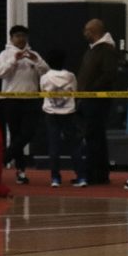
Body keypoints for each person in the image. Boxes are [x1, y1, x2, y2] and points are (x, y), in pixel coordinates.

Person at [0, 24, 48, 184]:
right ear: (11, 38)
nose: (21, 39)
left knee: (28, 133)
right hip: (11, 100)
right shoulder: (4, 55)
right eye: (17, 36)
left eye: (23, 36)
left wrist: (36, 60)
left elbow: (46, 71)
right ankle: (21, 172)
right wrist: (13, 61)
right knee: (16, 135)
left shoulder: (34, 54)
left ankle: (4, 158)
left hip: (31, 99)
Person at [76, 18, 120, 185]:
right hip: (88, 99)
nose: (84, 33)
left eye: (87, 30)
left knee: (95, 137)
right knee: (93, 136)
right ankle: (94, 173)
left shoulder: (106, 50)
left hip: (97, 100)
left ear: (94, 32)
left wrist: (91, 91)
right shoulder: (93, 50)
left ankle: (97, 175)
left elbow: (109, 74)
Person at [39, 49, 87, 188]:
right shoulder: (71, 76)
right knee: (74, 146)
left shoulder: (45, 77)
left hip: (51, 114)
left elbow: (43, 91)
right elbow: (75, 90)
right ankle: (81, 177)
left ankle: (55, 178)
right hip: (68, 113)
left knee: (54, 146)